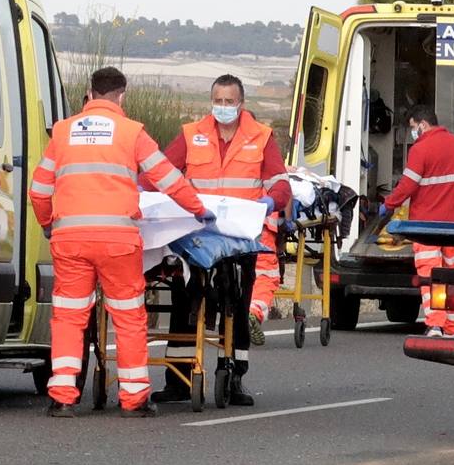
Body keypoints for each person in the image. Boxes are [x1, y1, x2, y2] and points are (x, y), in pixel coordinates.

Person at [30, 67, 208, 417]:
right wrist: (199, 209)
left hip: (71, 241)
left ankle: (63, 396)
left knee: (68, 317)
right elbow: (168, 179)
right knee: (127, 316)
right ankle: (134, 398)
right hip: (118, 243)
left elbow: (38, 190)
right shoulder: (131, 132)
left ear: (90, 93)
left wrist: (49, 223)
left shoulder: (63, 132)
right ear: (122, 95)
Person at [155, 74, 291, 407]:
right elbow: (161, 172)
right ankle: (178, 379)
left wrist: (270, 201)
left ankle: (233, 376)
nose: (223, 107)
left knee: (237, 304)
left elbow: (281, 184)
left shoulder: (261, 137)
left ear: (241, 103)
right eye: (218, 101)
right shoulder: (192, 134)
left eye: (229, 101)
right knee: (186, 302)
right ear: (211, 101)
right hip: (196, 236)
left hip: (240, 237)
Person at [377, 105, 454, 337]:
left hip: (426, 226)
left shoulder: (420, 149)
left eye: (413, 127)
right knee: (453, 277)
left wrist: (389, 205)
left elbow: (408, 186)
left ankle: (435, 325)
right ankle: (452, 329)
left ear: (422, 124)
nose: (413, 133)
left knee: (430, 276)